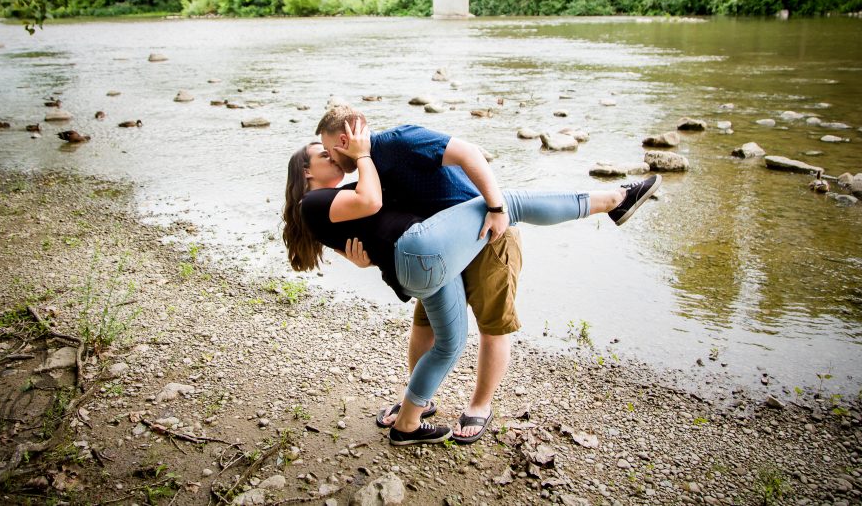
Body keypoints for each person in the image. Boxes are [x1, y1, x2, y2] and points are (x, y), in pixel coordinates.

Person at [283, 120, 661, 446]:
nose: (334, 157)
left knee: (450, 343)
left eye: (332, 151)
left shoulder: (345, 188)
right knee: (509, 202)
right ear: (306, 173)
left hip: (423, 265)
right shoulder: (315, 202)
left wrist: (358, 258)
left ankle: (409, 422)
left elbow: (366, 226)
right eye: (324, 155)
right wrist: (363, 155)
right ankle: (615, 199)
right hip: (422, 250)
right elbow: (370, 202)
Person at [320, 105, 520, 444]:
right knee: (424, 323)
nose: (330, 159)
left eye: (328, 151)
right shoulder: (368, 172)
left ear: (343, 140)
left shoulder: (401, 140)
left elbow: (470, 153)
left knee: (492, 324)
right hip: (440, 252)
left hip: (487, 234)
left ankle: (480, 405)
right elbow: (387, 227)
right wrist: (367, 261)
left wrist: (498, 208)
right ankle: (419, 401)